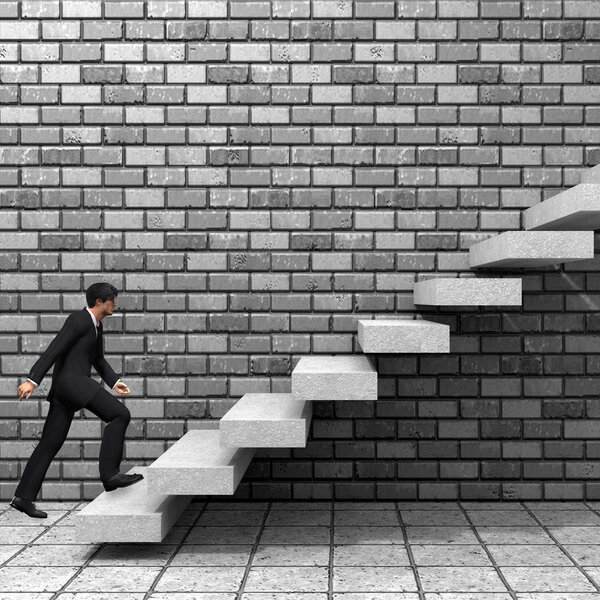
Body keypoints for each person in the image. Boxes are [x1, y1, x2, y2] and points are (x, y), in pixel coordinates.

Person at [11, 282, 143, 518]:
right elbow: (54, 349)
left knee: (50, 443)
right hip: (73, 383)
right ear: (99, 302)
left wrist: (114, 382)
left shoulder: (96, 326)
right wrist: (32, 380)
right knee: (119, 414)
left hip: (67, 389)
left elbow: (99, 360)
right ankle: (110, 475)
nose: (115, 304)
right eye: (112, 299)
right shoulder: (79, 320)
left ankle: (22, 497)